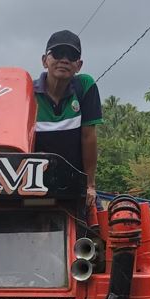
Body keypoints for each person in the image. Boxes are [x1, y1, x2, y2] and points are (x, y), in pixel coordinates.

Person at [33, 29, 101, 213]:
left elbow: (88, 137)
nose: (64, 60)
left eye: (71, 55)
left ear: (79, 65)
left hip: (75, 183)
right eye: (57, 53)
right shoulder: (28, 93)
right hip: (35, 184)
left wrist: (90, 185)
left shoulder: (85, 86)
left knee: (98, 224)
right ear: (44, 60)